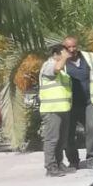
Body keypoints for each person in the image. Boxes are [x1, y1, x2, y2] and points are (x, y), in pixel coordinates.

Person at [62, 35, 93, 170]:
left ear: (78, 45)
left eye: (73, 46)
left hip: (88, 102)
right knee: (68, 134)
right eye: (68, 47)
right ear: (64, 48)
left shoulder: (88, 57)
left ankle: (92, 160)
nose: (71, 49)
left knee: (92, 130)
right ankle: (73, 161)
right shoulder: (61, 61)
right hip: (69, 105)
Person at [38, 44, 72, 177]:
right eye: (64, 52)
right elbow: (56, 68)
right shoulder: (49, 65)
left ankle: (59, 164)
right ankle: (50, 167)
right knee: (52, 139)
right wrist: (63, 58)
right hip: (51, 110)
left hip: (63, 109)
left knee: (61, 139)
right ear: (56, 54)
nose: (67, 55)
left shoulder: (64, 71)